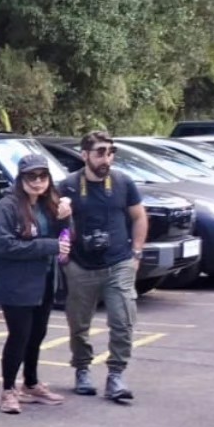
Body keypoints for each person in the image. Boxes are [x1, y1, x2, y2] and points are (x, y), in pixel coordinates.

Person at [56, 130, 147, 402]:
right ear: (85, 155)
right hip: (81, 266)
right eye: (100, 153)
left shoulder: (123, 182)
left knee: (123, 320)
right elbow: (54, 225)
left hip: (118, 263)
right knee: (78, 324)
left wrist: (136, 254)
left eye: (110, 152)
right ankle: (82, 369)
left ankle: (116, 375)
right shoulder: (69, 186)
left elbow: (139, 217)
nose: (106, 158)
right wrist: (62, 224)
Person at [0, 154, 72, 414]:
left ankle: (31, 384)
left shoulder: (48, 204)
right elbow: (4, 246)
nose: (38, 182)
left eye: (42, 176)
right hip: (17, 283)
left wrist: (65, 218)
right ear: (20, 178)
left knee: (37, 334)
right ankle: (8, 390)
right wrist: (48, 246)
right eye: (31, 176)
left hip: (44, 280)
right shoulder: (6, 206)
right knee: (19, 336)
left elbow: (64, 238)